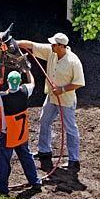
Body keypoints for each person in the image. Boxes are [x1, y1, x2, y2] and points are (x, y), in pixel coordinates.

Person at [18, 32, 85, 173]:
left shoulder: (73, 61)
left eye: (54, 44)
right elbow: (31, 45)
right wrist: (14, 43)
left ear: (61, 46)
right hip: (51, 98)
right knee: (44, 120)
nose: (51, 45)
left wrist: (62, 89)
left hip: (66, 100)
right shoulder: (51, 52)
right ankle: (44, 151)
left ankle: (74, 160)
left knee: (70, 128)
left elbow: (79, 83)